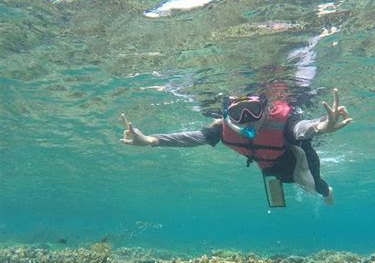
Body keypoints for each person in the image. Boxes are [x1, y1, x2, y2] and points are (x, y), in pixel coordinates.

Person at [120, 84, 352, 206]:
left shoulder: (283, 124)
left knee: (315, 187)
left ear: (267, 109)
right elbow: (192, 138)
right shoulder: (224, 129)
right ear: (228, 115)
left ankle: (328, 193)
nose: (247, 119)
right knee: (279, 186)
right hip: (269, 167)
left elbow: (302, 128)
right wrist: (151, 140)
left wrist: (322, 126)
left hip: (298, 159)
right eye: (238, 114)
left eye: (253, 111)